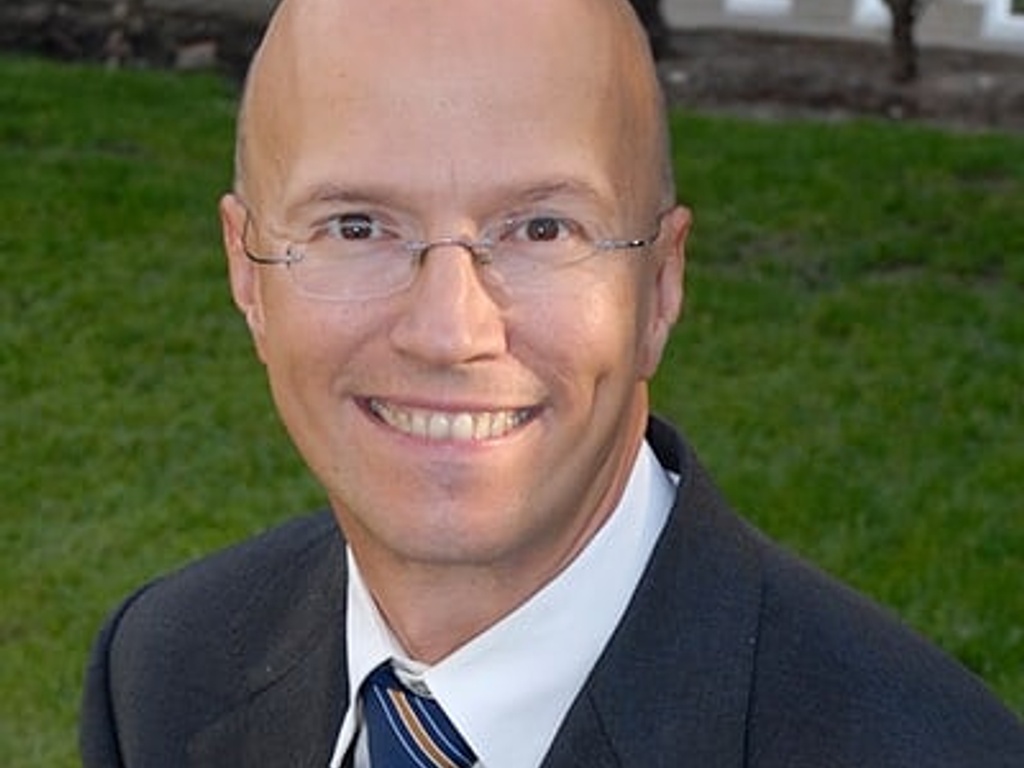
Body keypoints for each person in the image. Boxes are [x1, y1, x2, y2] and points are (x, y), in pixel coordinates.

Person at [80, 0, 1024, 766]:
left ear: (660, 285)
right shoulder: (162, 672)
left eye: (540, 230)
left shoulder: (926, 748)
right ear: (248, 275)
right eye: (358, 226)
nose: (449, 331)